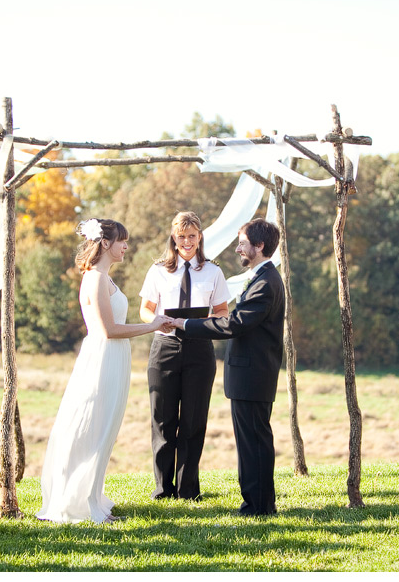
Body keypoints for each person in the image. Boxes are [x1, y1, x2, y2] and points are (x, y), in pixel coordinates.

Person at [37, 219, 172, 524]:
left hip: (114, 359)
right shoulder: (96, 279)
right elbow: (108, 330)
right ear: (106, 243)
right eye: (122, 241)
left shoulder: (105, 278)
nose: (126, 247)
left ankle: (92, 496)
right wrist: (151, 326)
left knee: (104, 429)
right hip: (101, 359)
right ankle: (80, 503)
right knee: (93, 428)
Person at [168, 218, 284, 516]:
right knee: (252, 441)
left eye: (243, 243)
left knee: (254, 442)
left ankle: (257, 507)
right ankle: (259, 503)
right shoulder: (263, 277)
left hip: (253, 374)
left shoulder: (266, 283)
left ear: (259, 246)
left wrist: (187, 324)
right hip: (250, 374)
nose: (238, 249)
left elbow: (234, 324)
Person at [139, 211, 231, 500]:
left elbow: (222, 312)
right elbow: (145, 308)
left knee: (192, 421)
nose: (187, 241)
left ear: (199, 237)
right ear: (173, 238)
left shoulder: (213, 272)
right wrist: (156, 321)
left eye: (192, 236)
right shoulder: (157, 270)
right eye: (181, 236)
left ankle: (188, 491)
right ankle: (163, 489)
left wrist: (201, 324)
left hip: (199, 350)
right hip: (164, 348)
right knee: (163, 421)